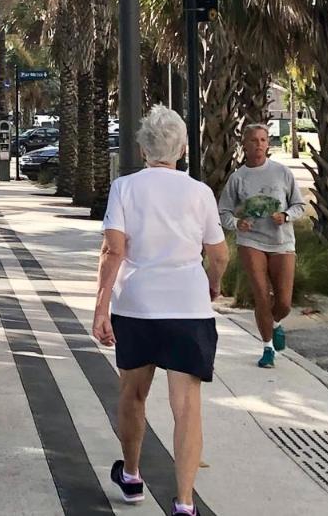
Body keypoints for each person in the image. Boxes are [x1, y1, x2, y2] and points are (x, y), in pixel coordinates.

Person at [92, 106, 230, 516]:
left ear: (141, 148)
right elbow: (218, 254)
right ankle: (184, 502)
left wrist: (101, 307)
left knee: (133, 393)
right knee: (186, 407)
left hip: (136, 305)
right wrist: (213, 284)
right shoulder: (199, 193)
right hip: (187, 308)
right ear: (183, 148)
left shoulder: (125, 188)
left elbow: (113, 250)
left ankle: (132, 475)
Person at [218, 123, 306, 368]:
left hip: (281, 241)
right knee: (261, 295)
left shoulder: (282, 173)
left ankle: (276, 323)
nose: (259, 145)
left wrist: (286, 216)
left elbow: (299, 205)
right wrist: (237, 223)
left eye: (263, 140)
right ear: (244, 145)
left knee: (284, 303)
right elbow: (223, 211)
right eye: (254, 140)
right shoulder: (238, 178)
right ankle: (267, 347)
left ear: (268, 144)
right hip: (251, 241)